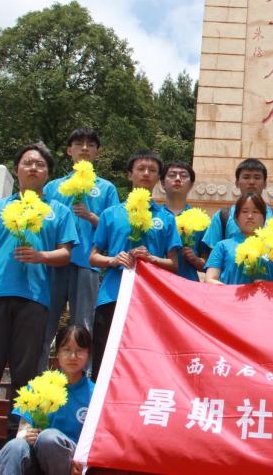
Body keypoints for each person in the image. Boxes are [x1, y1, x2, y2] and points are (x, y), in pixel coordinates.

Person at [0, 143, 78, 459]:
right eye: (28, 163)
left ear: (48, 173)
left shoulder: (58, 211)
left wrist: (41, 256)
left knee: (25, 374)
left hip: (35, 299)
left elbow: (66, 253)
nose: (33, 168)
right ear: (17, 170)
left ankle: (16, 439)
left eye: (40, 164)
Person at [88, 152, 180, 380]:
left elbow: (173, 264)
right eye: (140, 169)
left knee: (145, 361)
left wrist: (151, 259)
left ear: (158, 179)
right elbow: (93, 257)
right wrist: (113, 260)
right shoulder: (111, 214)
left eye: (152, 170)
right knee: (104, 359)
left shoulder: (166, 217)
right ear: (129, 175)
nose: (146, 174)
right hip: (112, 296)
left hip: (151, 299)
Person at [41, 128, 119, 372]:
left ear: (97, 153)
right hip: (53, 264)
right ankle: (36, 375)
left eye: (90, 145)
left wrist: (91, 216)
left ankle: (82, 379)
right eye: (79, 144)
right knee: (44, 323)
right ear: (69, 150)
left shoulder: (106, 188)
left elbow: (115, 229)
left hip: (87, 263)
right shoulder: (53, 187)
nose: (84, 148)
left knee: (83, 324)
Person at [0, 325, 95, 475]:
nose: (73, 356)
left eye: (79, 350)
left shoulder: (95, 394)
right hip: (35, 457)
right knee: (14, 446)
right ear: (57, 354)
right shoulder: (39, 386)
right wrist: (25, 434)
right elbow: (23, 429)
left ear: (88, 354)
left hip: (70, 461)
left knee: (48, 438)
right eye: (66, 350)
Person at [201, 158, 273, 255]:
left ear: (265, 183)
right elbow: (212, 255)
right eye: (246, 177)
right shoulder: (223, 216)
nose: (251, 182)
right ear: (237, 183)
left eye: (257, 178)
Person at [204, 193, 273, 285]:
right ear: (236, 218)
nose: (250, 216)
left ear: (264, 218)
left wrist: (268, 286)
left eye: (255, 211)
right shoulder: (222, 246)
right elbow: (209, 280)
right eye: (245, 211)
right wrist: (229, 289)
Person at [160, 160, 209, 281]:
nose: (177, 179)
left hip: (187, 285)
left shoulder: (201, 219)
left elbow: (210, 264)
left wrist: (195, 260)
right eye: (172, 175)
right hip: (155, 284)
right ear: (162, 183)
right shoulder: (153, 216)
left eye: (183, 175)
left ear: (191, 185)